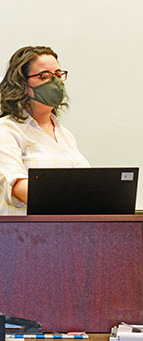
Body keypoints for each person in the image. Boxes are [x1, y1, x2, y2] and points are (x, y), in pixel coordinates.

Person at [0, 46, 89, 215]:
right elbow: (17, 187)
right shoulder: (6, 129)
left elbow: (85, 186)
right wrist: (75, 200)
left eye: (57, 75)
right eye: (45, 76)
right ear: (22, 84)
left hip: (68, 234)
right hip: (24, 237)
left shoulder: (66, 135)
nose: (55, 82)